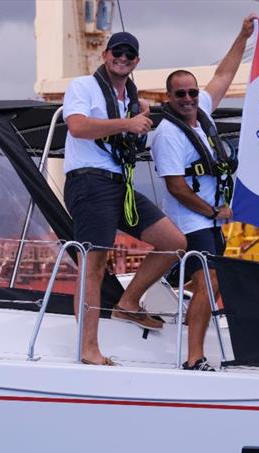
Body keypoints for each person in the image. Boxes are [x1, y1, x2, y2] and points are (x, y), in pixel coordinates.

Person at [63, 31, 187, 366]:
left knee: (173, 241)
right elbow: (76, 127)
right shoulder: (83, 87)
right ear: (105, 55)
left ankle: (128, 303)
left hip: (121, 185)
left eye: (129, 54)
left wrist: (136, 116)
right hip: (89, 180)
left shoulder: (131, 101)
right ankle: (88, 348)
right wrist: (128, 123)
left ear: (137, 62)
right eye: (117, 52)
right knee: (94, 264)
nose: (123, 57)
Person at [151, 15, 255, 371]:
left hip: (211, 221)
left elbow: (225, 75)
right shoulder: (168, 134)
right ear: (169, 97)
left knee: (209, 282)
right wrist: (213, 213)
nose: (188, 98)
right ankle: (195, 356)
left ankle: (194, 342)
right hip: (192, 221)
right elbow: (176, 186)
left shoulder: (203, 113)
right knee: (208, 279)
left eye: (192, 92)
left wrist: (242, 36)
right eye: (180, 94)